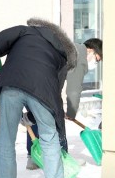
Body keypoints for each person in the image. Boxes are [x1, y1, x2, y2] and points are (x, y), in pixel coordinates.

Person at [0, 18, 77, 178]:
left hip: (11, 85)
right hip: (42, 90)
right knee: (49, 135)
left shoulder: (25, 31)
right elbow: (53, 95)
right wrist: (33, 117)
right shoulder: (61, 55)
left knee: (6, 138)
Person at [25, 37, 103, 170]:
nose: (96, 63)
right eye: (97, 59)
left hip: (28, 78)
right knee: (55, 115)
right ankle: (63, 157)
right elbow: (74, 89)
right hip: (42, 84)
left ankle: (33, 157)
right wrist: (71, 112)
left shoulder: (69, 48)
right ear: (90, 50)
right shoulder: (79, 55)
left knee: (35, 115)